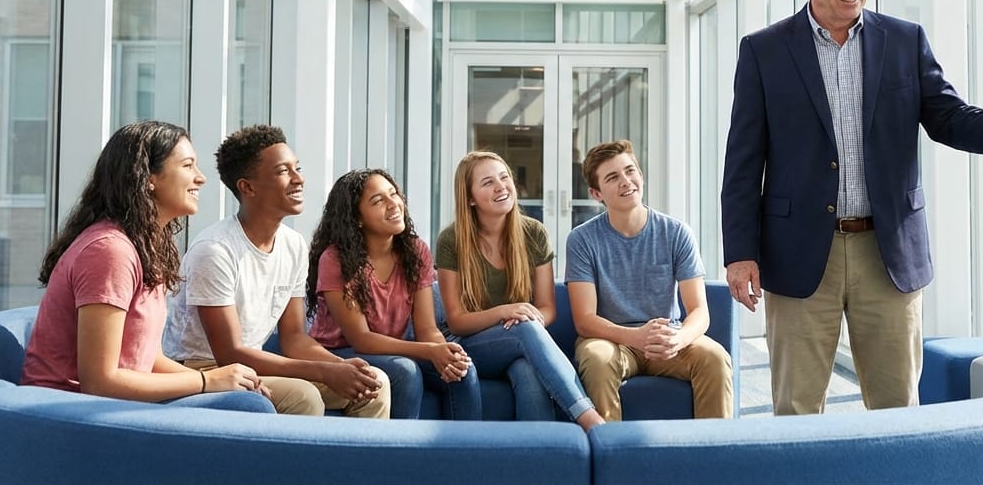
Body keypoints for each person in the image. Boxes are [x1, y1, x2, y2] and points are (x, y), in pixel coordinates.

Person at [720, 0, 983, 414]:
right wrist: (740, 251)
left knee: (896, 407)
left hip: (887, 252)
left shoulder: (904, 41)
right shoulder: (764, 51)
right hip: (797, 253)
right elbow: (742, 162)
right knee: (796, 411)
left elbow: (949, 117)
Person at [22, 121, 268, 411]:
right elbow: (99, 381)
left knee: (254, 396)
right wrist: (207, 382)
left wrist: (222, 378)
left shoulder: (143, 247)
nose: (200, 178)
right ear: (149, 177)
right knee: (247, 408)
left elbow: (146, 358)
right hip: (70, 412)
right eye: (188, 165)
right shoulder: (109, 251)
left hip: (118, 404)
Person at [162, 125, 389, 419]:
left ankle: (352, 467)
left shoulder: (293, 245)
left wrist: (340, 368)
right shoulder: (215, 250)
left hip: (251, 364)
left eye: (298, 168)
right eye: (284, 171)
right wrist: (325, 371)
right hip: (202, 367)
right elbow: (228, 353)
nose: (299, 179)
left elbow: (294, 338)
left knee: (375, 383)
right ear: (248, 187)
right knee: (302, 397)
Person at [564, 140, 733, 421]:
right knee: (595, 358)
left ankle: (712, 457)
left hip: (667, 340)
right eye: (612, 177)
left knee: (715, 358)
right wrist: (635, 337)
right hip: (611, 339)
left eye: (631, 171)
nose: (626, 181)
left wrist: (679, 338)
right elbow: (584, 320)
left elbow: (699, 311)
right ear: (596, 193)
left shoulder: (677, 232)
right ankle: (611, 454)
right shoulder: (582, 239)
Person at [436, 151, 605, 430]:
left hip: (521, 342)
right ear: (469, 198)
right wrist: (507, 313)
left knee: (528, 370)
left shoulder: (534, 233)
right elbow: (456, 321)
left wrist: (526, 318)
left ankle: (539, 459)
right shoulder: (451, 240)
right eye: (488, 182)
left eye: (504, 177)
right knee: (525, 330)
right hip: (470, 346)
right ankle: (590, 420)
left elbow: (548, 308)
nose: (501, 186)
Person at [306, 168, 481, 420]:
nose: (393, 204)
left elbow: (427, 329)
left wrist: (445, 354)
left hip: (395, 350)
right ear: (356, 218)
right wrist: (430, 352)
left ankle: (466, 456)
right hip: (342, 354)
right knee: (404, 371)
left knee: (464, 371)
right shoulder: (335, 260)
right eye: (378, 201)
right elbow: (361, 339)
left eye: (393, 194)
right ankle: (399, 455)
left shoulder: (415, 250)